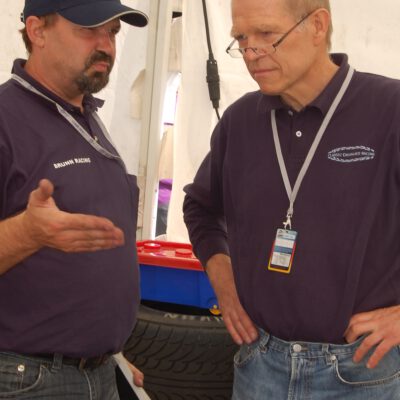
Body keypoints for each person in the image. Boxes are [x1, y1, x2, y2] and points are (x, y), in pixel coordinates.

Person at [183, 0, 400, 398]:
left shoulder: (389, 109)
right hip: (260, 365)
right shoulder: (240, 121)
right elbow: (200, 207)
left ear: (318, 25)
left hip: (364, 372)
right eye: (241, 39)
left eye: (267, 35)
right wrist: (225, 285)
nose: (251, 53)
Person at [0, 0, 148, 399]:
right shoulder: (5, 120)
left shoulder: (87, 118)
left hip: (98, 372)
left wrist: (107, 351)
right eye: (89, 29)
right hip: (27, 378)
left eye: (113, 32)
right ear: (37, 31)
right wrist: (28, 232)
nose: (107, 45)